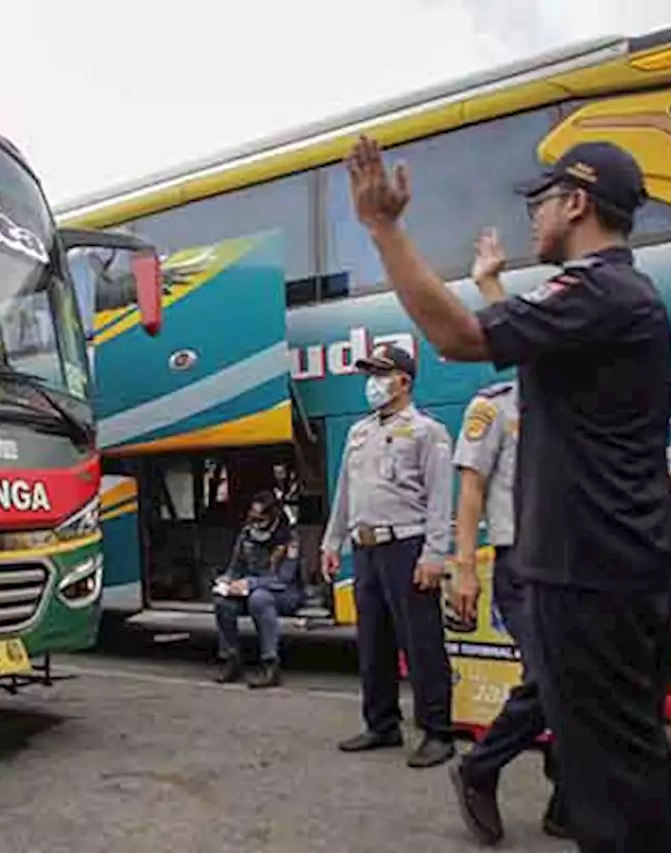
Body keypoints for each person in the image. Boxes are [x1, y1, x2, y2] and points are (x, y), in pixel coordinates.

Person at [344, 135, 671, 851]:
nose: (534, 217)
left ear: (577, 202)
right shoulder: (613, 300)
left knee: (616, 782)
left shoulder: (599, 291)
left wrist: (383, 228)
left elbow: (460, 334)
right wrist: (494, 282)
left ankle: (485, 771)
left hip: (592, 572)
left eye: (542, 201)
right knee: (621, 766)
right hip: (613, 565)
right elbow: (522, 342)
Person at [445, 227, 568, 844]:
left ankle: (567, 795)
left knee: (576, 679)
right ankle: (480, 768)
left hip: (573, 561)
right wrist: (464, 566)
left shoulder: (567, 401)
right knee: (550, 678)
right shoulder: (495, 406)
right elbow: (470, 490)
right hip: (519, 564)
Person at [321, 343, 457, 769]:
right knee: (372, 641)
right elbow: (345, 490)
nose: (373, 384)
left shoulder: (427, 431)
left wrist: (435, 554)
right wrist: (331, 542)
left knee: (421, 642)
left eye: (381, 375)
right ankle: (382, 723)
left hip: (408, 546)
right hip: (365, 548)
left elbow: (440, 499)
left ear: (404, 381)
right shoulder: (358, 432)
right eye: (369, 375)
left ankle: (438, 731)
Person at [213, 491, 302, 688]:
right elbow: (234, 569)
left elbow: (284, 579)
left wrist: (249, 584)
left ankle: (270, 663)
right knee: (222, 602)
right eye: (253, 517)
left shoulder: (289, 539)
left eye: (261, 519)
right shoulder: (246, 535)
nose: (256, 523)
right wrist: (226, 583)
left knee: (259, 599)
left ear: (274, 517)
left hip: (284, 593)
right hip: (250, 589)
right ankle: (230, 658)